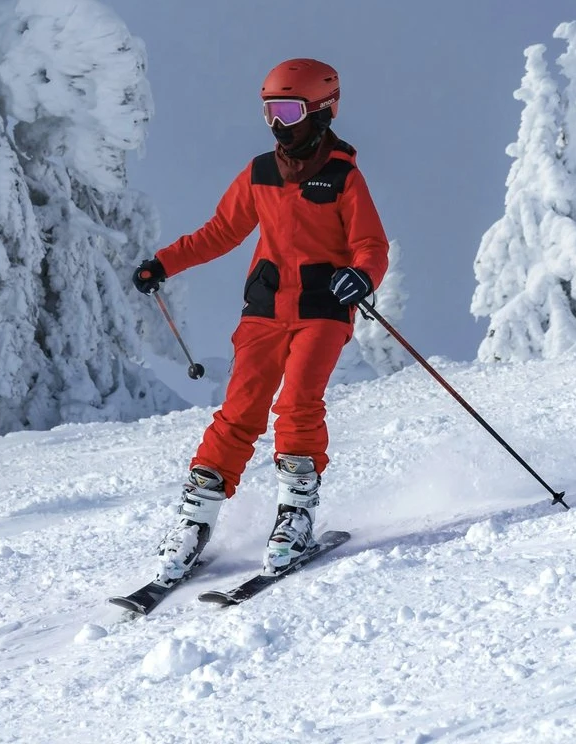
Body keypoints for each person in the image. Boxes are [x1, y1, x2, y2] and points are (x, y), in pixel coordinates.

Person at [132, 58, 389, 580]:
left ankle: (295, 514)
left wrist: (362, 276)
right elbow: (219, 233)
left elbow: (370, 245)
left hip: (321, 309)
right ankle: (194, 518)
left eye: (289, 110)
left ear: (320, 111)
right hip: (266, 309)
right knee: (240, 410)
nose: (277, 123)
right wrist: (164, 262)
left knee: (297, 404)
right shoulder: (260, 173)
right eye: (270, 111)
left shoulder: (343, 176)